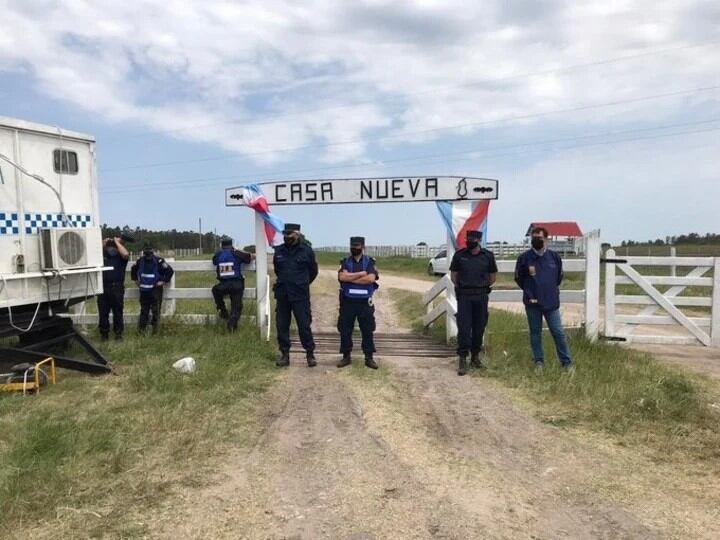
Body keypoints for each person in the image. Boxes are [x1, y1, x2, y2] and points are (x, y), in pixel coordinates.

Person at [514, 226, 574, 374]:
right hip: (532, 303)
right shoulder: (524, 258)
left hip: (551, 302)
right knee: (535, 333)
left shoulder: (554, 257)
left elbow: (558, 278)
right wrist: (530, 291)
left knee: (558, 332)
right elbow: (518, 278)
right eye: (534, 238)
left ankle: (566, 363)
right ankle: (539, 362)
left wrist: (548, 290)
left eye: (539, 238)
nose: (536, 241)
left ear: (546, 239)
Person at [450, 230, 498, 376]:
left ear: (479, 240)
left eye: (473, 239)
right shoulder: (460, 255)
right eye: (468, 238)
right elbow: (454, 276)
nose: (470, 241)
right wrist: (465, 286)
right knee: (464, 328)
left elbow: (493, 277)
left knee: (479, 327)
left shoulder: (487, 256)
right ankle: (463, 359)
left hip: (481, 296)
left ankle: (475, 357)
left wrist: (481, 287)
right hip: (464, 296)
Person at [273, 223, 318, 367]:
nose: (286, 237)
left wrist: (302, 283)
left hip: (300, 295)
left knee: (304, 325)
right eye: (285, 234)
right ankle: (285, 354)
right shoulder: (279, 251)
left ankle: (310, 354)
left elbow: (313, 271)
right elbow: (277, 270)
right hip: (283, 294)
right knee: (282, 325)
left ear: (297, 234)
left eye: (289, 234)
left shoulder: (307, 251)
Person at [336, 236, 379, 370]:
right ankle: (346, 356)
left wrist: (350, 278)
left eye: (357, 246)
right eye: (352, 246)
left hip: (365, 302)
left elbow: (371, 279)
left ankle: (369, 357)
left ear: (363, 247)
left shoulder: (370, 261)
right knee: (345, 329)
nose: (354, 248)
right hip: (348, 301)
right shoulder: (345, 261)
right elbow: (341, 277)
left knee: (367, 329)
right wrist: (361, 274)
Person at [212, 237, 255, 331]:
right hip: (236, 284)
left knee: (215, 290)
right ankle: (231, 323)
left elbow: (214, 261)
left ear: (221, 245)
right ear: (232, 245)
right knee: (237, 307)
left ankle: (222, 310)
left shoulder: (219, 255)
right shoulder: (236, 253)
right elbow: (250, 257)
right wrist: (238, 250)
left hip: (223, 285)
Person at [130, 243, 174, 334]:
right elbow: (169, 271)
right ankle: (153, 332)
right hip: (153, 290)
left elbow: (133, 269)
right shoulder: (158, 261)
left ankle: (143, 332)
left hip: (147, 290)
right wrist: (164, 281)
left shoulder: (142, 261)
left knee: (147, 311)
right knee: (153, 311)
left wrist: (163, 281)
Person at [97, 235, 131, 340]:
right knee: (103, 313)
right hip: (103, 287)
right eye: (109, 246)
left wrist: (117, 242)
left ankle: (118, 334)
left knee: (118, 312)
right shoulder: (102, 255)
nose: (111, 248)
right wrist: (103, 243)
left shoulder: (120, 257)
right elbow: (93, 253)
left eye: (113, 246)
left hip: (117, 286)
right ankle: (104, 334)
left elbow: (125, 254)